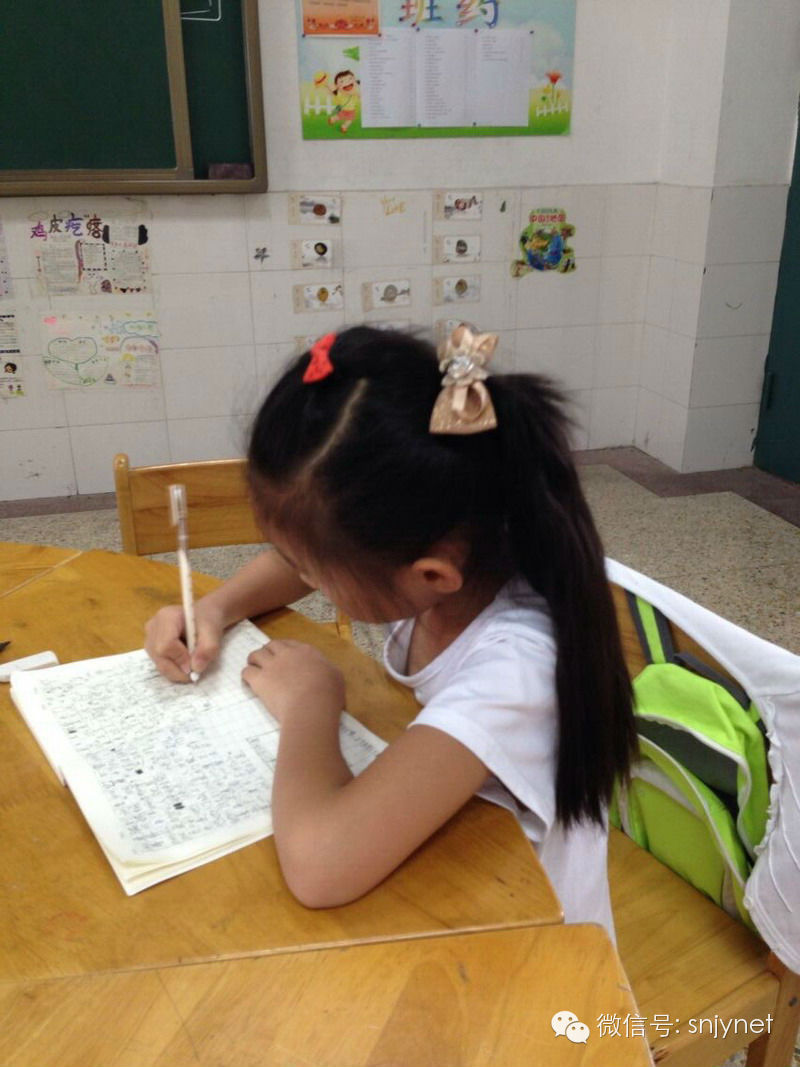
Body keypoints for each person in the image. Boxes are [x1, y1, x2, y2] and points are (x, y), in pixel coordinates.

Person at [145, 324, 637, 934]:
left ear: (430, 574)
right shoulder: (455, 548)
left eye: (312, 568)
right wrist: (215, 609)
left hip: (530, 943)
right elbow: (312, 560)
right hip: (450, 884)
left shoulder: (514, 673)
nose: (300, 575)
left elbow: (320, 868)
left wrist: (309, 703)